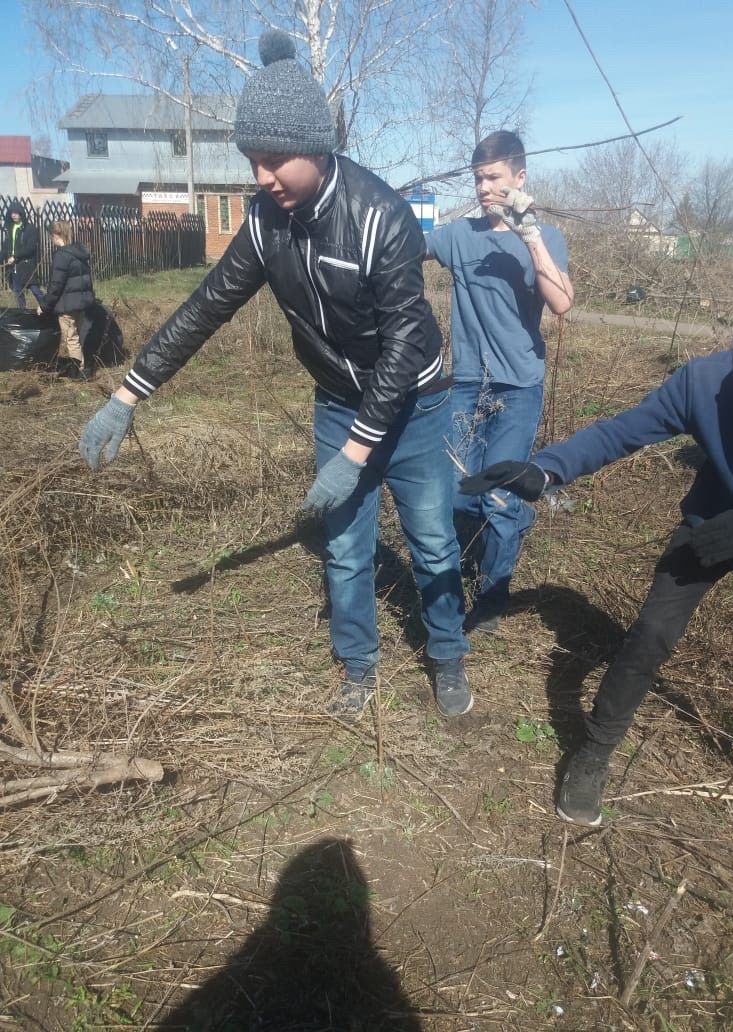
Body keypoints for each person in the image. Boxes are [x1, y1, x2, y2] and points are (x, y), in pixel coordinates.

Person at [78, 30, 471, 721]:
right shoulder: (265, 225)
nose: (261, 177)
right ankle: (358, 668)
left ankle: (447, 655)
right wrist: (127, 393)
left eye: (273, 159)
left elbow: (407, 342)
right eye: (253, 161)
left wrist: (356, 452)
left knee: (432, 539)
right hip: (337, 402)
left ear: (316, 146)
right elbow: (206, 308)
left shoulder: (380, 217)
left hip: (414, 405)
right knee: (346, 546)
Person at [460, 322, 733, 826]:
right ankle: (594, 753)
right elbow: (621, 431)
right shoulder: (704, 383)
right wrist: (547, 469)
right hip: (710, 528)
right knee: (649, 635)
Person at [425, 132, 573, 633]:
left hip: (517, 388)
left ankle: (492, 595)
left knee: (500, 494)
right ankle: (472, 561)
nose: (484, 187)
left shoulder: (545, 236)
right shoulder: (457, 236)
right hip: (466, 385)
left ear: (519, 177)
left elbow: (563, 303)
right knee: (458, 493)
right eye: (478, 178)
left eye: (493, 177)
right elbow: (402, 243)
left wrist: (528, 233)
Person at [36, 220, 96, 380]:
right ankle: (83, 365)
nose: (51, 240)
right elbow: (87, 280)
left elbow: (55, 285)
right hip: (82, 304)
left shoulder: (61, 256)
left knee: (72, 339)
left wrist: (44, 305)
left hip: (67, 305)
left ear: (56, 235)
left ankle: (79, 372)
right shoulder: (80, 253)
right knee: (78, 336)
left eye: (51, 237)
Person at [1, 201, 44, 309]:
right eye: (11, 213)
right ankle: (23, 313)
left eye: (16, 213)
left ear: (21, 213)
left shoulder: (30, 229)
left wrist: (15, 256)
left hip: (26, 266)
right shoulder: (11, 229)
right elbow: (6, 248)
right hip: (14, 267)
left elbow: (30, 248)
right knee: (18, 292)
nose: (13, 215)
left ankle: (47, 307)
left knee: (35, 289)